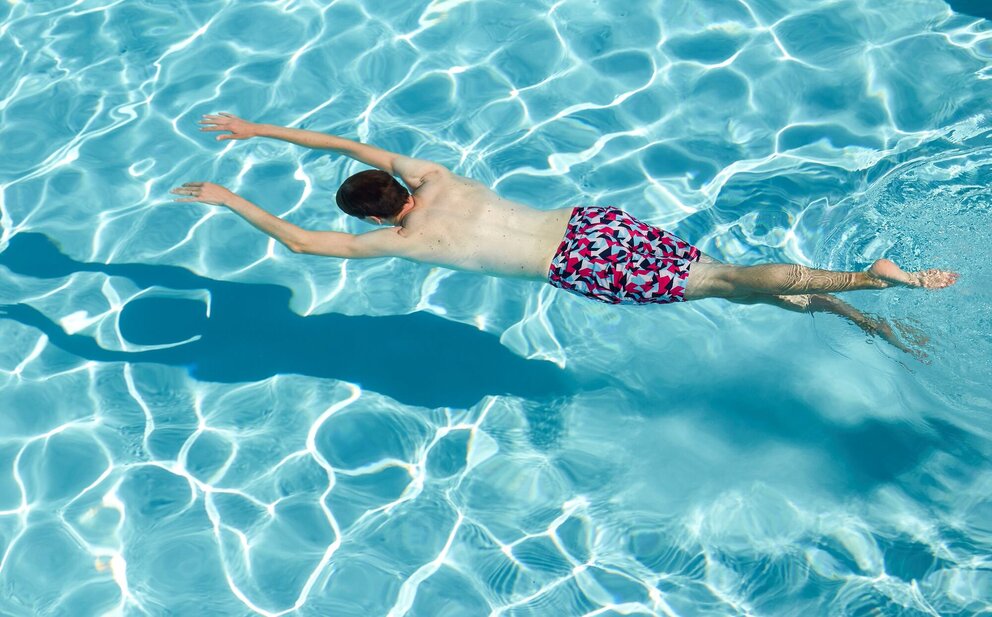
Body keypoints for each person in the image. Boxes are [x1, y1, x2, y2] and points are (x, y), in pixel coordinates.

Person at [171, 113, 958, 356]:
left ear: (378, 215)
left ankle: (868, 279)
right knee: (729, 276)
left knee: (728, 280)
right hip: (591, 224)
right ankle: (862, 315)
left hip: (574, 261)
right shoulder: (437, 175)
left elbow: (307, 246)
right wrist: (257, 129)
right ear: (399, 186)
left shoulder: (410, 242)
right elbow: (345, 146)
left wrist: (227, 197)